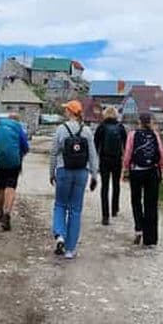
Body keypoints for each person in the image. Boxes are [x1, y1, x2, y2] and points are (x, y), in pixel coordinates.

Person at [49, 101, 99, 259]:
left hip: (64, 170)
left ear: (70, 112)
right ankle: (70, 250)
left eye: (66, 110)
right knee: (75, 210)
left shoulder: (61, 129)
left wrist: (52, 172)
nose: (65, 112)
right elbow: (92, 155)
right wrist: (94, 175)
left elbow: (53, 153)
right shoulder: (87, 131)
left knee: (60, 204)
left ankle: (60, 235)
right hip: (81, 173)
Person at [123, 112, 163, 247]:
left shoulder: (133, 135)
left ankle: (139, 228)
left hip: (136, 171)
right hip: (152, 171)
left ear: (139, 122)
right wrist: (161, 170)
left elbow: (128, 152)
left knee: (136, 201)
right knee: (151, 204)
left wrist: (125, 168)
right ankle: (151, 238)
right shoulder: (155, 135)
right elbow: (161, 153)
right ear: (151, 122)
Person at [0, 111, 29, 231]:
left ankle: (0, 210)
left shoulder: (0, 127)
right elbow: (25, 147)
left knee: (1, 187)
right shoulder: (19, 129)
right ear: (17, 120)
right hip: (13, 163)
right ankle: (7, 212)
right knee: (10, 187)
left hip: (0, 161)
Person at [93, 107, 127, 225]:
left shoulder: (101, 127)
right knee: (116, 185)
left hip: (104, 159)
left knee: (105, 187)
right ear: (116, 115)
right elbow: (126, 145)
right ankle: (115, 208)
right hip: (117, 159)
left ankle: (105, 215)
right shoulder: (120, 127)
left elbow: (95, 145)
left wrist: (94, 161)